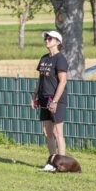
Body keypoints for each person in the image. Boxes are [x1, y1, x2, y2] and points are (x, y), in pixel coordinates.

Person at [31, 30, 68, 171]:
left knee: (58, 133)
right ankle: (52, 162)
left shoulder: (60, 59)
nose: (46, 40)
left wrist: (55, 101)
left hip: (56, 100)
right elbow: (40, 79)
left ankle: (62, 164)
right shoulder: (44, 58)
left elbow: (63, 81)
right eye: (45, 38)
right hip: (44, 98)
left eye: (50, 38)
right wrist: (34, 96)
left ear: (57, 42)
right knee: (47, 132)